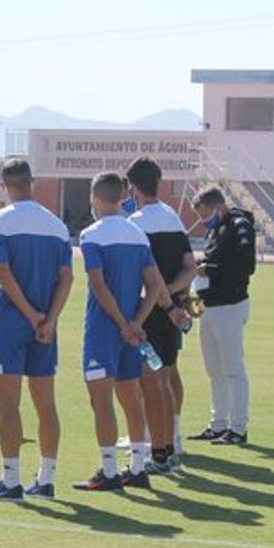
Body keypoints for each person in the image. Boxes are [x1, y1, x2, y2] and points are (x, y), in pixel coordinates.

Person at [74, 172, 180, 492]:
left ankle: (108, 470)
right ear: (120, 196)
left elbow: (99, 284)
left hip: (105, 329)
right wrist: (137, 321)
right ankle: (136, 467)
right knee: (131, 397)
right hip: (132, 330)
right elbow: (156, 286)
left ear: (94, 198)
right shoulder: (137, 234)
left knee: (101, 399)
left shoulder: (91, 235)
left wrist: (122, 323)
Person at [0, 160, 72, 501]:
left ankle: (11, 480)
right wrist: (50, 320)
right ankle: (46, 479)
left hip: (11, 323)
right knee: (46, 404)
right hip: (46, 326)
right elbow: (67, 278)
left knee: (8, 404)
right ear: (32, 182)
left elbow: (3, 272)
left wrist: (32, 316)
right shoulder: (57, 225)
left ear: (4, 185)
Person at [126, 157, 196, 473]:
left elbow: (146, 278)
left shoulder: (136, 224)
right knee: (166, 378)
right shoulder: (172, 218)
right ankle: (169, 445)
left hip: (150, 313)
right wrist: (172, 298)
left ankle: (158, 452)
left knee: (150, 383)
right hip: (173, 312)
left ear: (132, 188)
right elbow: (190, 268)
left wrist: (160, 298)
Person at [187, 186, 256, 446]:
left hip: (230, 304)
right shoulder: (217, 229)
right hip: (211, 305)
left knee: (233, 369)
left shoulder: (240, 226)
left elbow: (246, 266)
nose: (204, 220)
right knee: (214, 370)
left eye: (205, 214)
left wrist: (210, 269)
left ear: (218, 206)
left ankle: (238, 428)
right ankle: (218, 425)